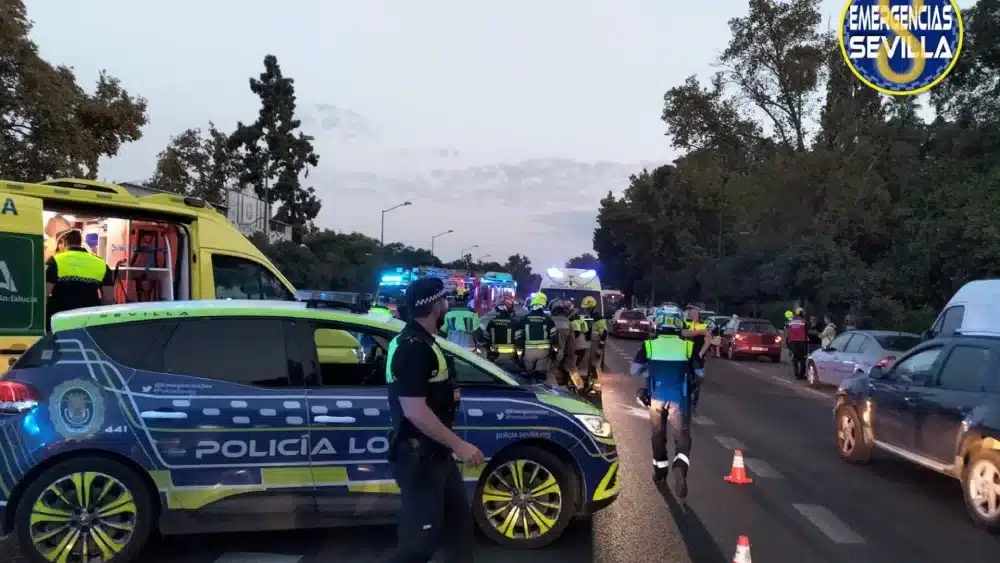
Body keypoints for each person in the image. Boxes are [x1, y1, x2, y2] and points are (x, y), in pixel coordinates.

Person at [385, 277, 483, 563]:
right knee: (418, 547)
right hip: (420, 458)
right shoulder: (413, 347)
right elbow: (414, 410)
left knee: (458, 535)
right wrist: (460, 445)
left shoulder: (421, 342)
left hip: (436, 456)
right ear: (435, 306)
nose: (447, 306)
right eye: (445, 301)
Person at [631, 313, 695, 497]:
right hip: (679, 399)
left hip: (656, 397)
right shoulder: (688, 347)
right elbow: (699, 372)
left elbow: (634, 370)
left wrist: (649, 370)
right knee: (682, 438)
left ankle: (660, 472)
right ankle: (680, 467)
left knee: (658, 436)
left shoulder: (649, 345)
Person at [46, 230, 114, 331]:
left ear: (63, 243)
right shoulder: (101, 263)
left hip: (60, 318)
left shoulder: (56, 260)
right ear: (80, 242)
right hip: (89, 319)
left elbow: (45, 293)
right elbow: (108, 299)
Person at [514, 293, 555, 378]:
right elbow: (553, 336)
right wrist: (555, 350)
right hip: (544, 352)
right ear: (544, 304)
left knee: (528, 375)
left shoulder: (524, 318)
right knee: (541, 376)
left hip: (529, 352)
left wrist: (519, 352)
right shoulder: (548, 319)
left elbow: (518, 336)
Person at [680, 304, 711, 410]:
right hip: (684, 355)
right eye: (688, 310)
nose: (689, 312)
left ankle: (694, 400)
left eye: (691, 310)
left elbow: (708, 341)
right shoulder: (685, 323)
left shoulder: (704, 325)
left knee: (699, 376)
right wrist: (699, 332)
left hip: (698, 355)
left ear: (697, 312)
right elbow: (684, 333)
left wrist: (701, 354)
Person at [547, 299, 580, 389]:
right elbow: (571, 345)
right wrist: (570, 360)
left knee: (550, 376)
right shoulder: (568, 323)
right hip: (561, 354)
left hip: (548, 355)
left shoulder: (549, 321)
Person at [579, 295, 607, 391]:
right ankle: (586, 380)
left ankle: (594, 384)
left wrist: (600, 346)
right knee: (586, 363)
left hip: (595, 343)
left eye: (587, 308)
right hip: (586, 342)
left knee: (595, 364)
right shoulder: (585, 318)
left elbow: (604, 332)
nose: (585, 310)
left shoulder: (600, 319)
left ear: (592, 308)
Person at [483, 295, 518, 369]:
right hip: (509, 356)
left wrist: (487, 351)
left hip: (493, 354)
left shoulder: (491, 321)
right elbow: (519, 340)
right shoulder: (514, 322)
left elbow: (486, 338)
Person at [786, 307, 809, 380]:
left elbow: (787, 333)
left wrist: (788, 344)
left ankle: (796, 375)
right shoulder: (803, 322)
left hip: (793, 342)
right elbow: (807, 331)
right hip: (802, 342)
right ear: (801, 313)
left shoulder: (791, 322)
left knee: (795, 359)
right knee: (803, 359)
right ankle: (802, 375)